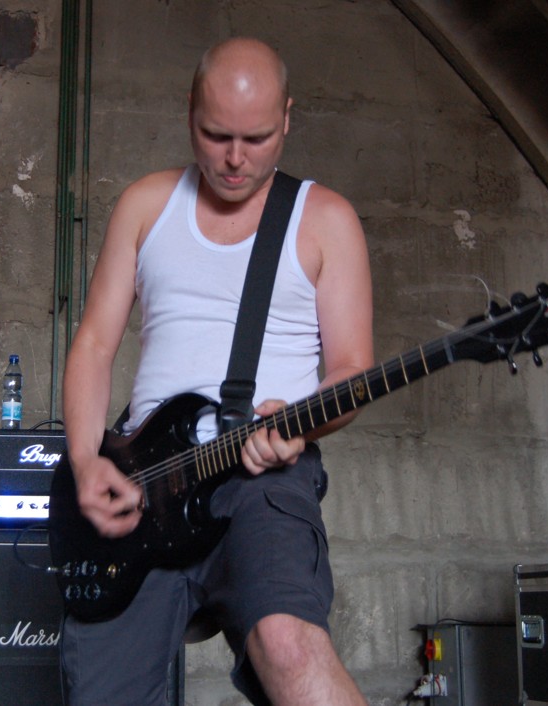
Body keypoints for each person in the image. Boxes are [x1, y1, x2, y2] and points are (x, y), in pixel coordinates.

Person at [60, 37, 374, 706]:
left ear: (287, 118)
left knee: (289, 645)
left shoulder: (326, 220)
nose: (235, 158)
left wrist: (299, 425)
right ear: (189, 113)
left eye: (256, 139)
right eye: (216, 135)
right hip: (144, 479)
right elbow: (93, 344)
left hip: (263, 477)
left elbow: (351, 370)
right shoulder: (145, 205)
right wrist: (86, 462)